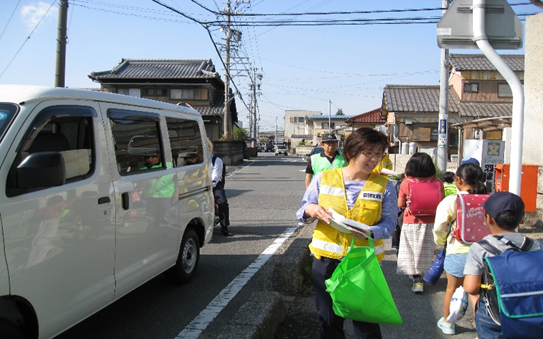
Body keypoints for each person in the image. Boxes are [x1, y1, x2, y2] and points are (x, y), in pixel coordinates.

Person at [296, 127, 398, 339]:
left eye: (379, 154)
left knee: (366, 322)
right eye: (368, 153)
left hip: (364, 263)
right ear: (351, 152)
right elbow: (303, 209)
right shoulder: (323, 178)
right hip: (326, 260)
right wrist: (312, 209)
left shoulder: (385, 186)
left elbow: (390, 224)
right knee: (329, 321)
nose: (374, 159)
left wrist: (371, 231)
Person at [463, 191, 543, 339]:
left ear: (488, 219)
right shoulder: (536, 245)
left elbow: (471, 287)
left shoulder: (480, 248)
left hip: (494, 314)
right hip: (532, 309)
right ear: (521, 219)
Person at [433, 163, 487, 335]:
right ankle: (484, 326)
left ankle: (448, 323)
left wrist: (441, 241)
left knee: (452, 288)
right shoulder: (489, 199)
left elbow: (440, 226)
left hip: (458, 249)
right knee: (477, 292)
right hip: (484, 252)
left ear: (459, 180)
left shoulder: (451, 201)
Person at [396, 152, 444, 293]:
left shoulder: (407, 183)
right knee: (426, 250)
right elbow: (441, 203)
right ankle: (427, 274)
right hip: (432, 221)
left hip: (412, 221)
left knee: (412, 250)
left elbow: (400, 204)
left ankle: (417, 280)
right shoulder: (437, 183)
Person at [209, 140, 232, 236]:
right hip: (198, 185)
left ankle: (224, 226)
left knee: (222, 202)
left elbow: (216, 176)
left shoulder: (216, 160)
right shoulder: (196, 160)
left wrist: (209, 186)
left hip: (214, 185)